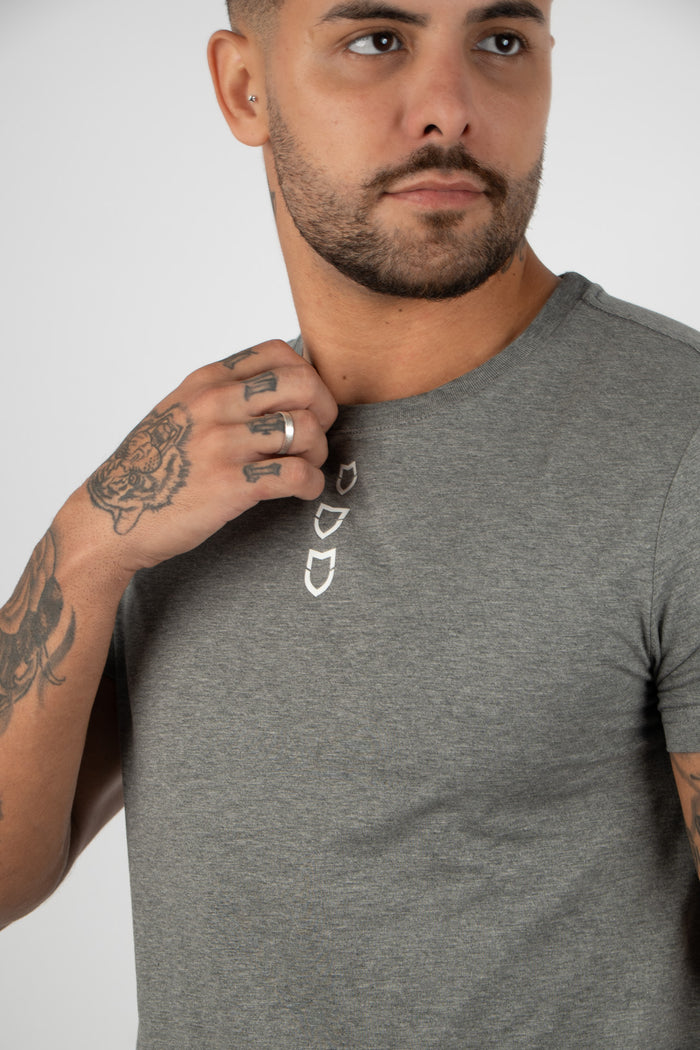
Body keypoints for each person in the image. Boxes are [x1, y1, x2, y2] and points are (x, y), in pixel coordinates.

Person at [1, 0, 699, 1046]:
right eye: (378, 40)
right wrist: (90, 542)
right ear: (246, 87)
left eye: (501, 41)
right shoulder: (188, 471)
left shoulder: (675, 440)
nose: (449, 107)